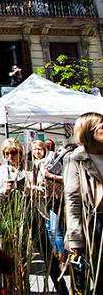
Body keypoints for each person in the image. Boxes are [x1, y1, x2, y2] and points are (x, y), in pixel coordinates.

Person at [65, 113, 103, 293]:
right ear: (89, 132)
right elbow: (73, 200)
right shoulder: (76, 159)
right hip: (95, 226)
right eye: (101, 127)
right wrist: (75, 239)